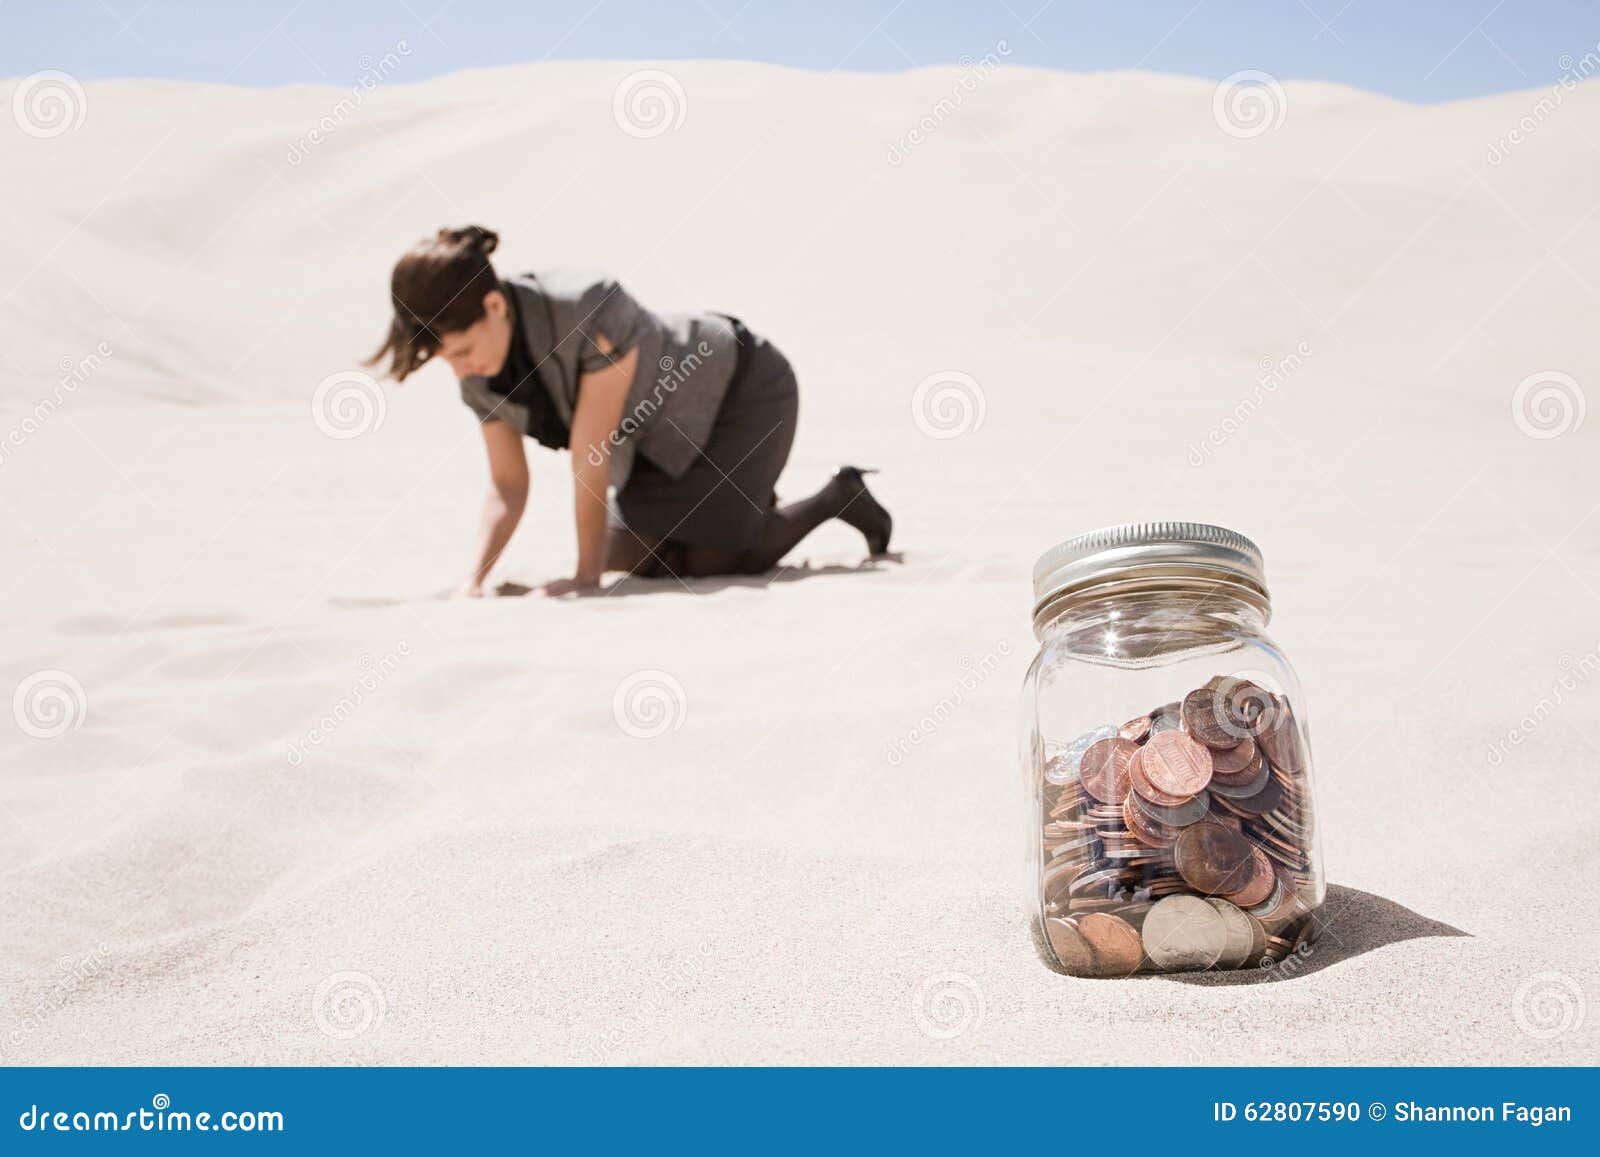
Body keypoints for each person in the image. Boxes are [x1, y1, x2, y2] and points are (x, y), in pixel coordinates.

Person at [367, 226, 892, 598]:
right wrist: (474, 578)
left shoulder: (588, 306)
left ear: (495, 306)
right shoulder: (479, 379)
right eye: (445, 361)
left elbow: (589, 453)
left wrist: (584, 578)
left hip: (743, 390)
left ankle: (836, 496)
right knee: (634, 556)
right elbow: (508, 486)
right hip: (660, 444)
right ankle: (738, 509)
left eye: (461, 352)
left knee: (714, 563)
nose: (460, 373)